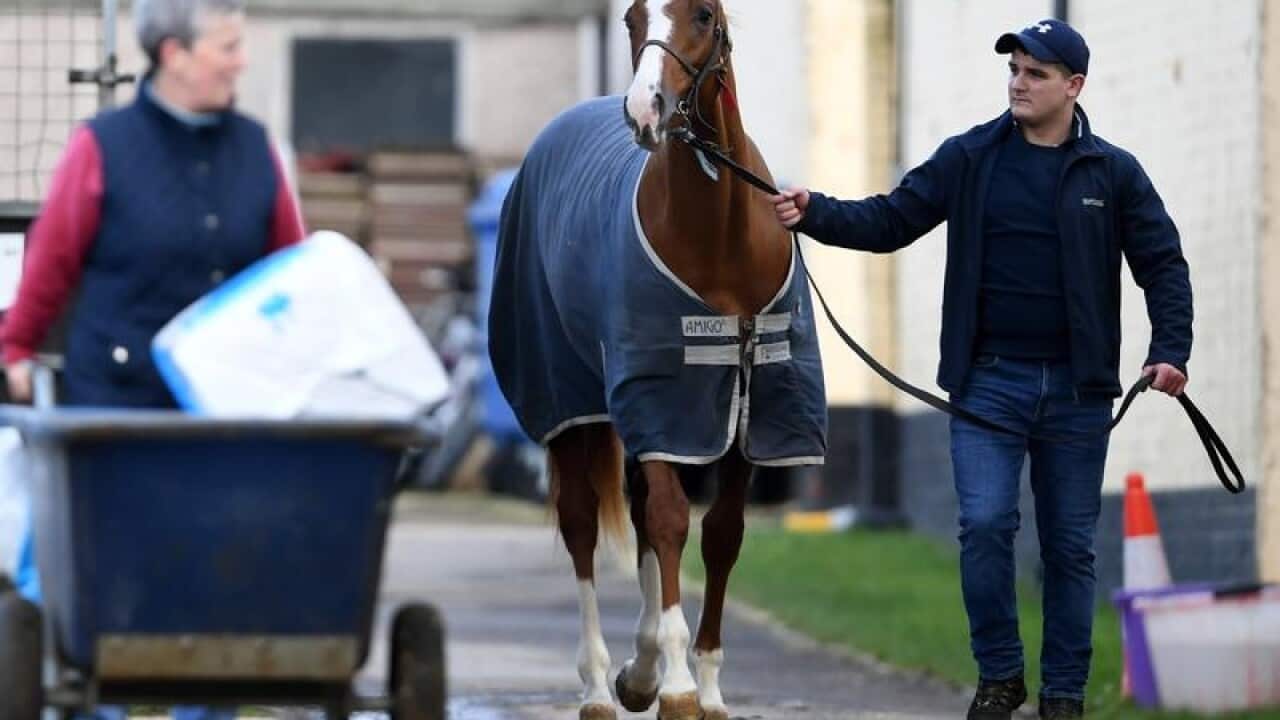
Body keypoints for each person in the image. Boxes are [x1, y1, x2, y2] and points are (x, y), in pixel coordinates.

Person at [770, 19, 1191, 720]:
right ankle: (1001, 677)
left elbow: (1163, 266)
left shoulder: (1112, 173)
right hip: (988, 384)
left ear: (1073, 87)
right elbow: (891, 219)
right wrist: (815, 213)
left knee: (1069, 549)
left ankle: (1063, 695)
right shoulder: (970, 157)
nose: (1019, 84)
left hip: (1079, 392)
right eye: (1015, 70)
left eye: (1036, 73)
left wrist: (1170, 349)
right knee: (987, 526)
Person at [1, 0, 305, 717]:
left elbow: (292, 272)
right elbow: (51, 263)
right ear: (174, 54)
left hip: (219, 403)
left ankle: (213, 701)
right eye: (226, 47)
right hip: (116, 395)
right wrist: (15, 347)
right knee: (95, 570)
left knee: (217, 568)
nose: (241, 60)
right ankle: (90, 693)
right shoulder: (100, 147)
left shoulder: (255, 148)